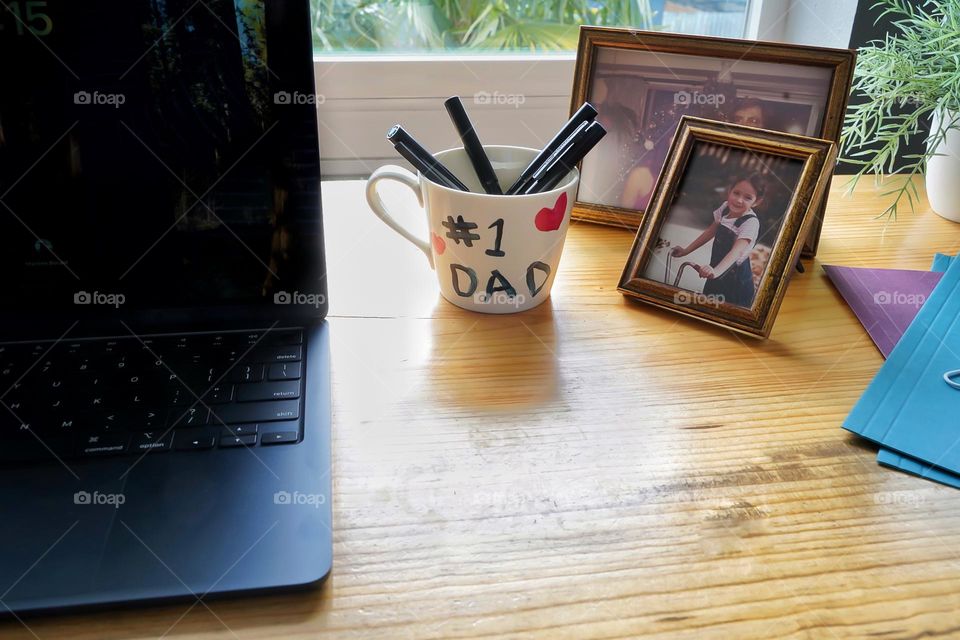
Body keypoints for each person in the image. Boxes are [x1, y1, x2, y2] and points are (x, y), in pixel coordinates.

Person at [669, 173, 765, 307]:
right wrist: (686, 251)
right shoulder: (725, 208)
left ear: (756, 202)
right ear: (729, 190)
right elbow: (710, 231)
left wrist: (716, 272)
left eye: (747, 197)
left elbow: (735, 252)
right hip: (715, 270)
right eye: (736, 193)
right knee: (708, 303)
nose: (739, 200)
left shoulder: (750, 223)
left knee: (726, 309)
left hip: (735, 280)